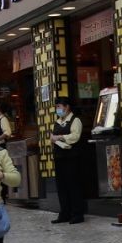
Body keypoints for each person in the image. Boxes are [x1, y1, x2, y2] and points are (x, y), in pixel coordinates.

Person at [51, 96, 87, 224]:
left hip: (72, 157)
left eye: (59, 106)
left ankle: (77, 213)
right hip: (59, 157)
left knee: (73, 185)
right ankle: (64, 213)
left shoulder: (75, 120)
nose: (57, 109)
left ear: (67, 107)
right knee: (62, 186)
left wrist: (59, 137)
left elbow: (75, 136)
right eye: (56, 107)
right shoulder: (58, 121)